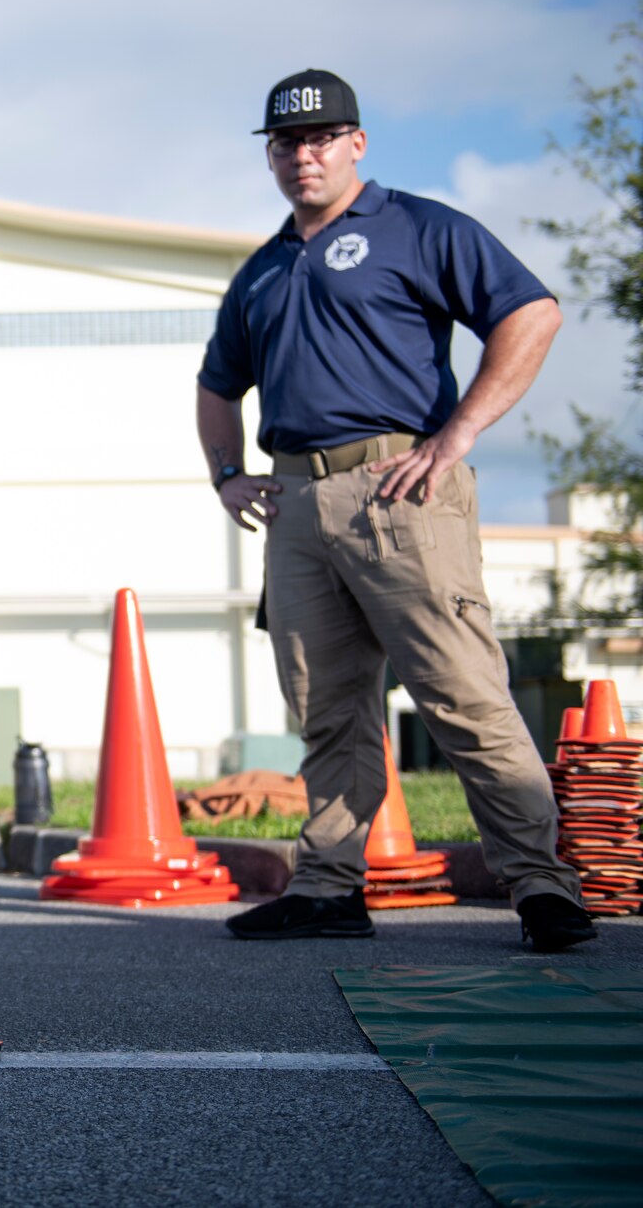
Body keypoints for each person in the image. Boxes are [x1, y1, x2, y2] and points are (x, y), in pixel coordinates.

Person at [198, 68, 595, 951]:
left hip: (400, 489)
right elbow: (216, 384)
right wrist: (228, 473)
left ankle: (542, 886)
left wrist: (455, 436)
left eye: (322, 138)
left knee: (460, 693)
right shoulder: (264, 268)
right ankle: (330, 887)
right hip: (296, 503)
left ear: (357, 144)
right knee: (329, 710)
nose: (304, 155)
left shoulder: (417, 226)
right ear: (270, 156)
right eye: (287, 143)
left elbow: (531, 314)